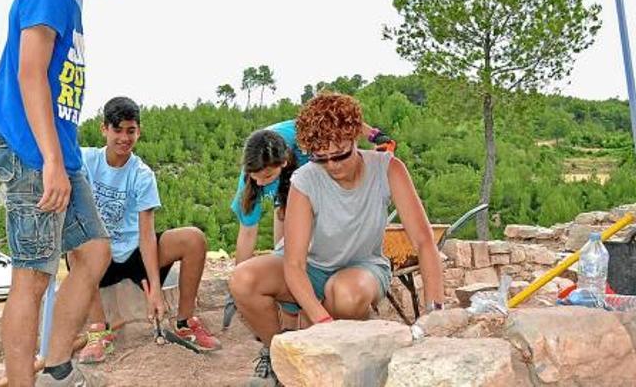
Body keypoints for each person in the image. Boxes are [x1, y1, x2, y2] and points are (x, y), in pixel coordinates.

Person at [0, 0, 137, 387]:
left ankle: (55, 368)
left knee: (94, 254)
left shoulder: (70, 1)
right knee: (32, 277)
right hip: (33, 151)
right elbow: (30, 75)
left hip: (59, 153)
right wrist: (49, 159)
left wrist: (62, 157)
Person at [229, 93, 443, 386]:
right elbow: (294, 263)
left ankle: (339, 366)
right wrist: (323, 324)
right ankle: (282, 357)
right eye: (321, 157)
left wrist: (435, 313)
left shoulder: (388, 169)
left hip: (361, 266)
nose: (332, 165)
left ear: (355, 138)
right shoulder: (305, 179)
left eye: (340, 155)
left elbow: (423, 242)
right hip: (310, 267)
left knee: (346, 293)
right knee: (243, 279)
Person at [70, 97, 222, 364]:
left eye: (131, 131)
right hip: (98, 255)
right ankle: (98, 331)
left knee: (194, 239)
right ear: (104, 129)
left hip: (134, 253)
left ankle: (185, 322)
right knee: (75, 246)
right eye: (117, 130)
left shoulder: (142, 174)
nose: (124, 138)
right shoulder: (84, 160)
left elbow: (146, 234)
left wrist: (154, 288)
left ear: (138, 131)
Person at [223, 119, 393, 328]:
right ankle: (285, 334)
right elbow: (248, 232)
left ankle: (321, 312)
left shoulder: (304, 141)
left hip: (317, 192)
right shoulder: (253, 177)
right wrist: (238, 292)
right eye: (255, 177)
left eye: (266, 176)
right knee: (286, 238)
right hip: (288, 191)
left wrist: (374, 135)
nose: (260, 182)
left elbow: (338, 119)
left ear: (283, 162)